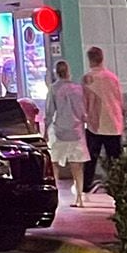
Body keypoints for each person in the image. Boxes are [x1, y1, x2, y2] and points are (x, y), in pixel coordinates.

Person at [44, 61, 90, 206]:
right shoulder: (78, 89)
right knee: (77, 168)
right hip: (76, 132)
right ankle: (79, 199)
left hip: (60, 132)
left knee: (55, 164)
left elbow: (50, 112)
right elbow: (83, 112)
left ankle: (55, 197)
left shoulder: (54, 89)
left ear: (56, 72)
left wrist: (45, 131)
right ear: (69, 71)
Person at [82, 46, 126, 196]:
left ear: (90, 60)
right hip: (114, 123)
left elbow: (85, 101)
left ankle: (86, 184)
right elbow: (120, 100)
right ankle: (118, 184)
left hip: (96, 124)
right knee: (115, 158)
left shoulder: (88, 78)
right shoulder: (113, 78)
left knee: (91, 157)